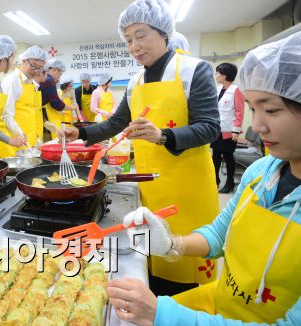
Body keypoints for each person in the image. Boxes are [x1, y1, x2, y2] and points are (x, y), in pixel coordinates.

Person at [107, 31, 301, 326]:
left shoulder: (190, 72)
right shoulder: (261, 172)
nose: (258, 125)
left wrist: (163, 315)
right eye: (252, 109)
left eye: (271, 110)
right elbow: (219, 235)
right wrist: (171, 244)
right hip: (222, 303)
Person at [63, 0, 221, 295]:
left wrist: (163, 136)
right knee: (152, 263)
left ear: (164, 33)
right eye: (128, 40)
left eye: (141, 35)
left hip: (188, 188)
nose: (134, 45)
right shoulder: (135, 81)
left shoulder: (193, 70)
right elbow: (116, 123)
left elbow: (210, 127)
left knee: (185, 276)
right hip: (148, 184)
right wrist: (80, 132)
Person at [2, 46, 47, 147]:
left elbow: (33, 113)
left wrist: (37, 138)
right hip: (17, 141)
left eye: (40, 68)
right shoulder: (12, 81)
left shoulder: (33, 84)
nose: (36, 71)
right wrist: (20, 135)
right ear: (24, 61)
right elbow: (6, 116)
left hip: (31, 141)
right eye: (34, 65)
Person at [212, 63, 245, 193]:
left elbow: (239, 112)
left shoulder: (236, 90)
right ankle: (215, 181)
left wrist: (236, 130)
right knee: (215, 156)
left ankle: (230, 183)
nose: (216, 75)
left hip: (229, 131)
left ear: (224, 75)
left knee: (228, 156)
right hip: (217, 129)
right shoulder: (219, 89)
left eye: (217, 73)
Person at [41, 59, 71, 141]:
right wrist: (70, 107)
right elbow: (56, 103)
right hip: (45, 117)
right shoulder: (49, 80)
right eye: (60, 74)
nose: (59, 77)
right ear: (55, 70)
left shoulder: (45, 79)